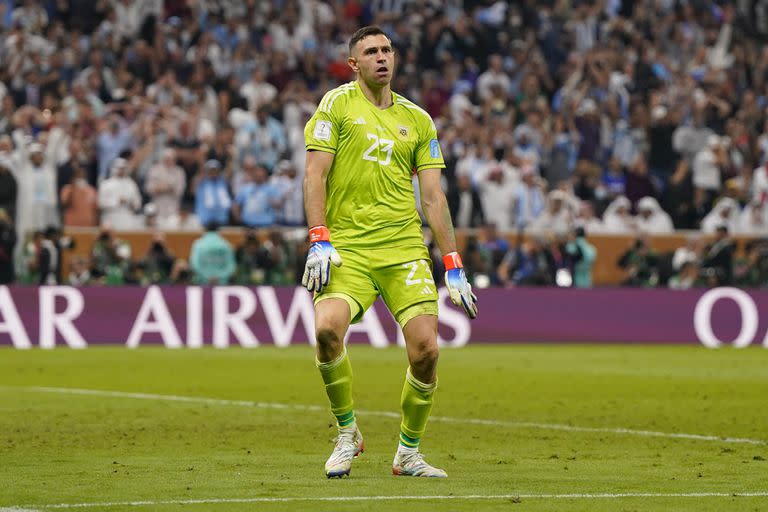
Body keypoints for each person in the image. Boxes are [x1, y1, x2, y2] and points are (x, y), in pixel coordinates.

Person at [302, 26, 477, 480]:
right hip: (348, 249)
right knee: (326, 331)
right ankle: (346, 433)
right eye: (371, 52)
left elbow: (434, 198)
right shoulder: (335, 105)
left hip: (403, 248)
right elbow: (314, 176)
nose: (382, 57)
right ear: (353, 64)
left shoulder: (419, 120)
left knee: (427, 351)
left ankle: (408, 453)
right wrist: (318, 237)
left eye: (387, 50)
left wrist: (453, 264)